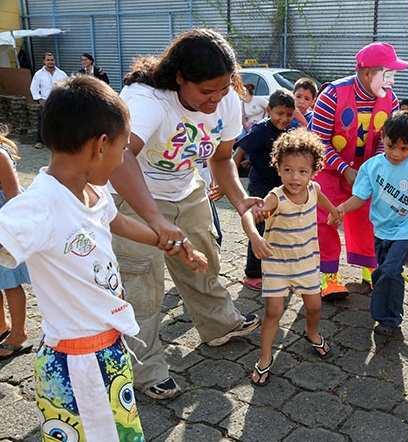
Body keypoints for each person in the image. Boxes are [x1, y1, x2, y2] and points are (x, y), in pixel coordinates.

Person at [0, 75, 207, 441]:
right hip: (78, 362)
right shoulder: (41, 205)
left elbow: (118, 221)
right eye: (123, 149)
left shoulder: (93, 191)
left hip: (106, 349)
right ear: (100, 146)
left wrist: (168, 242)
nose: (123, 160)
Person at [110, 29, 262, 400]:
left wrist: (241, 200)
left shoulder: (226, 98)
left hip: (187, 190)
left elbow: (222, 157)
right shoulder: (147, 100)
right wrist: (156, 220)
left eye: (223, 89)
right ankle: (145, 369)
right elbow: (118, 157)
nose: (216, 100)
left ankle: (218, 324)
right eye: (206, 92)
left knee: (204, 260)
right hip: (134, 197)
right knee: (142, 288)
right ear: (179, 77)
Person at [332, 111, 408, 336]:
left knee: (389, 270)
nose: (397, 154)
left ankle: (386, 317)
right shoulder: (371, 167)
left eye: (404, 149)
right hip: (382, 230)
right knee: (389, 273)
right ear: (382, 138)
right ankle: (393, 316)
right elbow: (360, 197)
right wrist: (343, 208)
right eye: (390, 146)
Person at [310, 42, 408, 299]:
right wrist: (344, 169)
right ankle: (328, 275)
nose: (392, 81)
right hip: (331, 169)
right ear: (368, 73)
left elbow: (386, 139)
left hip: (367, 169)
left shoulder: (392, 99)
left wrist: (373, 167)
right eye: (388, 74)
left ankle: (370, 268)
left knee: (370, 218)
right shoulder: (331, 94)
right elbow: (318, 140)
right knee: (327, 219)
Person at [242, 129, 338, 386]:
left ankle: (311, 332)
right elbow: (249, 215)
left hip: (307, 260)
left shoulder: (314, 189)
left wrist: (334, 212)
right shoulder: (276, 197)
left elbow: (324, 201)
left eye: (302, 171)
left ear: (313, 171)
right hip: (277, 263)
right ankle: (264, 357)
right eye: (288, 170)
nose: (295, 177)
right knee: (273, 311)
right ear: (279, 167)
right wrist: (255, 237)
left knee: (315, 306)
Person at [233, 88, 298, 291]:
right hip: (259, 189)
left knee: (281, 229)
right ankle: (252, 273)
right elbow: (238, 153)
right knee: (259, 228)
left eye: (289, 114)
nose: (284, 118)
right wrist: (229, 181)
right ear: (269, 110)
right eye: (280, 113)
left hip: (280, 189)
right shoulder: (261, 130)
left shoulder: (290, 131)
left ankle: (277, 268)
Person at [0, 127, 31, 360]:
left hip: (5, 225)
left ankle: (19, 332)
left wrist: (6, 235)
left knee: (10, 281)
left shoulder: (0, 155)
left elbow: (13, 197)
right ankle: (2, 325)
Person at [29, 52, 68, 149]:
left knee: (60, 122)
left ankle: (59, 141)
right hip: (45, 102)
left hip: (58, 101)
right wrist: (40, 100)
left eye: (52, 60)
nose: (50, 62)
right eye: (48, 60)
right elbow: (33, 88)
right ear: (44, 61)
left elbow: (67, 87)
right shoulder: (39, 74)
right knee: (43, 121)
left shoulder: (61, 73)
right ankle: (40, 141)